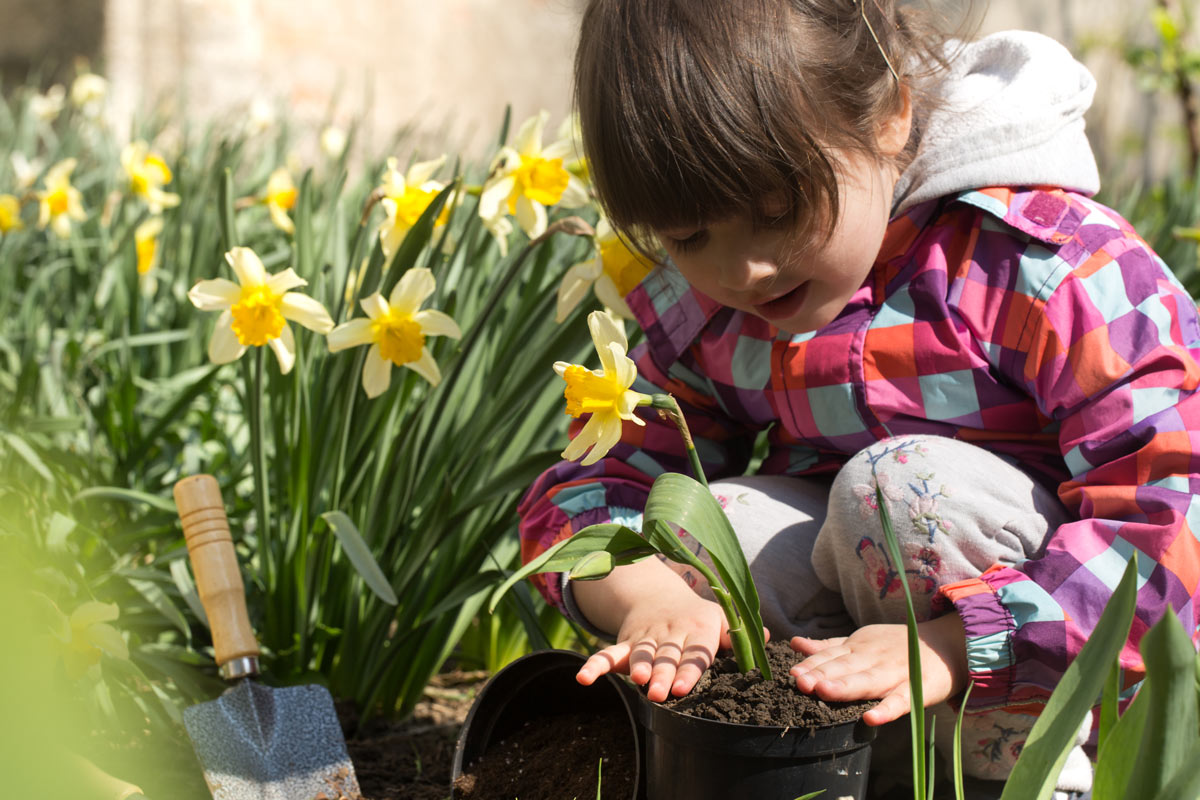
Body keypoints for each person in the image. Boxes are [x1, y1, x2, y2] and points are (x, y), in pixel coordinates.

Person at [517, 1, 1200, 797]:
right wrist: (654, 600)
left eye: (777, 211)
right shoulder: (706, 314)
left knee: (899, 491)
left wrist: (952, 645)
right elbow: (581, 495)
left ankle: (1027, 774)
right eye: (690, 237)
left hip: (1037, 646)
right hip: (858, 632)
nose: (745, 272)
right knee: (705, 528)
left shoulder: (1041, 265)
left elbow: (1174, 509)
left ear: (890, 118)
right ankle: (816, 770)